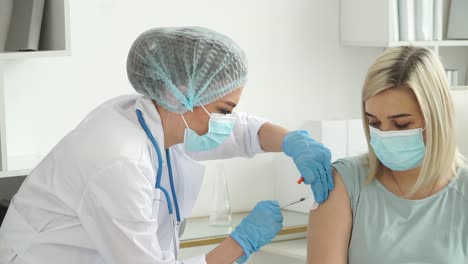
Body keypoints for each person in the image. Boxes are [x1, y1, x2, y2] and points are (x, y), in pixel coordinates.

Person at [0, 27, 333, 264]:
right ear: (181, 95)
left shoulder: (164, 119)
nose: (227, 121)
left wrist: (292, 141)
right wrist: (239, 244)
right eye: (223, 110)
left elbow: (242, 130)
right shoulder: (120, 162)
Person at [306, 46, 468, 263]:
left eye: (401, 124)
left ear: (437, 117)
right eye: (374, 123)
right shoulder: (343, 184)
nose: (385, 135)